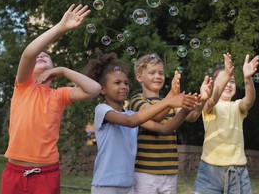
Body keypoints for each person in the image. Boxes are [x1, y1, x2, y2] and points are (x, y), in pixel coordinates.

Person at [0, 4, 102, 194]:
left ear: (53, 68)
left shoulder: (60, 94)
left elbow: (95, 89)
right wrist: (61, 27)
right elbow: (29, 53)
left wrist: (63, 70)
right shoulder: (23, 86)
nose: (40, 55)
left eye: (46, 56)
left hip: (46, 173)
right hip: (14, 172)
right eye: (39, 55)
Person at [83, 50, 208, 194]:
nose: (123, 86)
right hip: (107, 185)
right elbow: (132, 121)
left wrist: (187, 106)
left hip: (128, 185)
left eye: (125, 83)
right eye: (117, 83)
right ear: (102, 89)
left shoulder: (132, 114)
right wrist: (171, 99)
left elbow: (164, 129)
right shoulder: (103, 109)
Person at [130, 53, 212, 194]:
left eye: (161, 73)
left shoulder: (171, 102)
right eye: (152, 72)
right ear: (139, 77)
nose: (158, 76)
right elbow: (156, 116)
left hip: (170, 172)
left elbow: (191, 117)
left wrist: (202, 100)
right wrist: (172, 97)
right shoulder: (137, 100)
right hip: (145, 173)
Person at [186, 53, 259, 194]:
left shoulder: (237, 107)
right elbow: (212, 101)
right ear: (212, 86)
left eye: (231, 81)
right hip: (209, 172)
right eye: (224, 81)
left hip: (237, 172)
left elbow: (249, 100)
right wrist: (226, 74)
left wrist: (247, 78)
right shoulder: (208, 105)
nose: (228, 84)